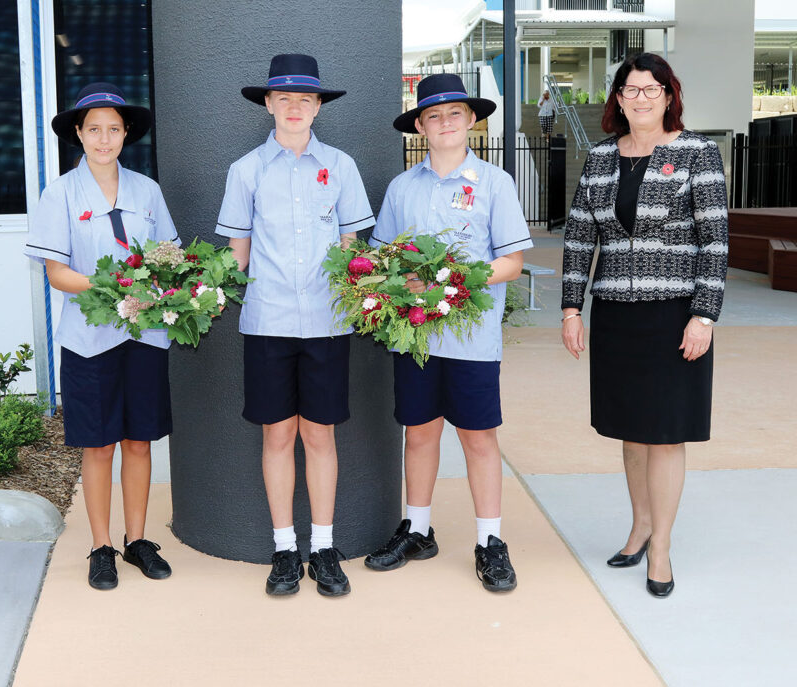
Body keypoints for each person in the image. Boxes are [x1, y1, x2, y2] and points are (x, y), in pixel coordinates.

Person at [560, 53, 728, 598]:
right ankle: (639, 526)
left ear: (669, 95)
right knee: (631, 432)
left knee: (665, 435)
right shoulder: (602, 158)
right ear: (618, 98)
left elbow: (715, 244)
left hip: (675, 315)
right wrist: (571, 308)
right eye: (631, 90)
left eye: (651, 89)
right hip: (616, 316)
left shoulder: (697, 153)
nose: (641, 98)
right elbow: (581, 238)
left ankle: (662, 547)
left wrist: (704, 314)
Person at [364, 73, 532, 593]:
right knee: (420, 433)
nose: (444, 124)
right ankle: (417, 530)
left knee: (479, 438)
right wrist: (396, 278)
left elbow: (512, 260)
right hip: (414, 338)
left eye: (454, 114)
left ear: (473, 121)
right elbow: (381, 256)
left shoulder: (494, 183)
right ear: (419, 126)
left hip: (472, 339)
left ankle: (490, 542)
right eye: (432, 116)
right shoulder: (401, 187)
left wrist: (457, 280)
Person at [215, 54, 375, 597]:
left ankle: (324, 548)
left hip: (329, 324)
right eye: (284, 99)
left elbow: (355, 248)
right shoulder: (246, 170)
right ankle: (285, 549)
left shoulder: (342, 167)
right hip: (268, 323)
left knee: (320, 433)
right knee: (278, 434)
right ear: (268, 104)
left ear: (318, 108)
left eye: (305, 100)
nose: (294, 108)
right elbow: (236, 254)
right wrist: (197, 290)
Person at [24, 83, 179, 590]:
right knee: (99, 445)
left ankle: (137, 540)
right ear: (78, 133)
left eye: (114, 129)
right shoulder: (61, 193)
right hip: (89, 338)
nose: (104, 138)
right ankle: (101, 546)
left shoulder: (147, 191)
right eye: (94, 129)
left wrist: (160, 285)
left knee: (138, 441)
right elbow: (57, 273)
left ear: (125, 133)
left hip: (145, 335)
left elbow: (168, 259)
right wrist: (112, 284)